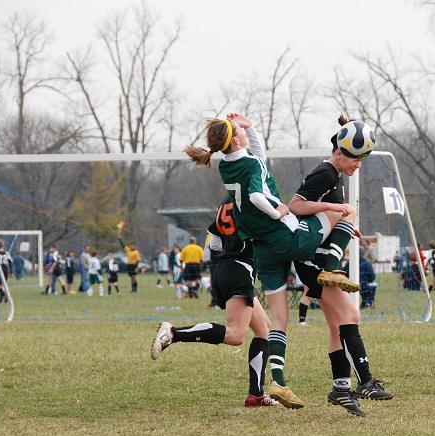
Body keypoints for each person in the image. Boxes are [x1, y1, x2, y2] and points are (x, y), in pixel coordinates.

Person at [185, 113, 364, 410]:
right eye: (241, 132)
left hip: (262, 250)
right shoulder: (251, 165)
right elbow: (257, 194)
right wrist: (278, 211)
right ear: (237, 139)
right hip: (285, 236)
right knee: (343, 212)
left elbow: (258, 157)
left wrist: (249, 127)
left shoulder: (227, 166)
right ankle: (331, 266)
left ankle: (278, 381)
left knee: (278, 320)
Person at [286, 114, 392, 415]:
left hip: (313, 259)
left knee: (336, 324)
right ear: (339, 153)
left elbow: (324, 216)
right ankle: (366, 381)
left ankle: (341, 389)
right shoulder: (327, 172)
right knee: (350, 313)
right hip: (312, 262)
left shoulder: (335, 173)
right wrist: (336, 209)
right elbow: (295, 206)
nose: (358, 165)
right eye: (355, 159)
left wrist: (341, 223)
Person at [151, 197, 279, 407]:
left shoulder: (227, 201)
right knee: (236, 334)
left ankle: (255, 394)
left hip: (227, 267)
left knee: (264, 328)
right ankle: (174, 333)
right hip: (239, 269)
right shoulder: (255, 198)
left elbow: (215, 241)